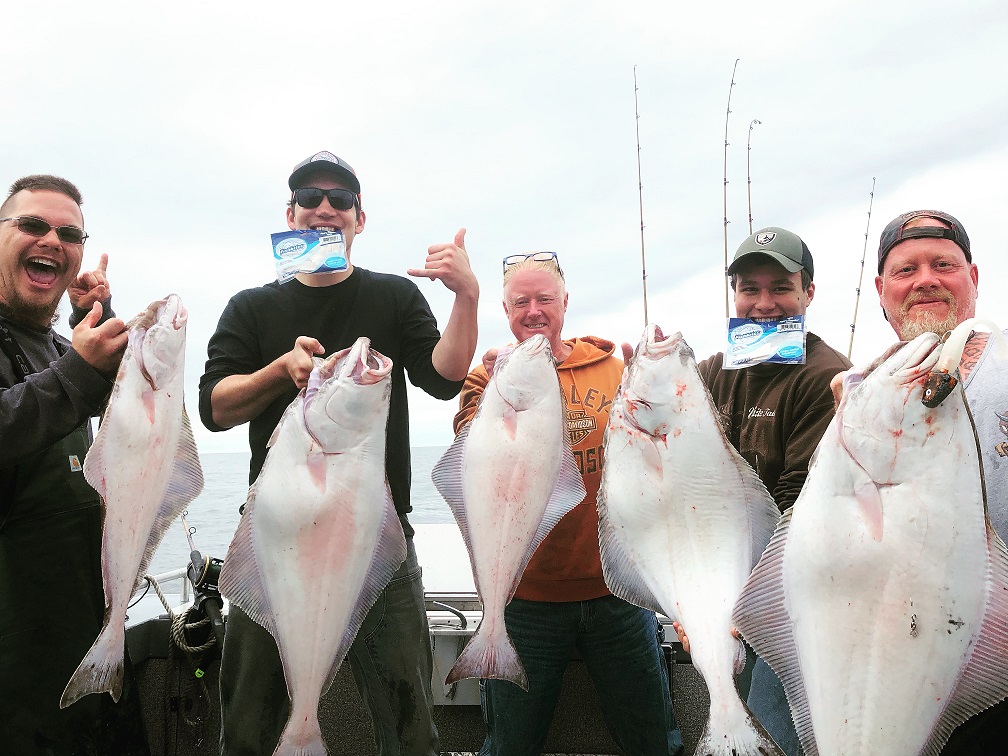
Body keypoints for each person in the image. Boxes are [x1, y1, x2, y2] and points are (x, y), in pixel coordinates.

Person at [199, 150, 479, 756]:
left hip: (375, 536)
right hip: (274, 538)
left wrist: (466, 297)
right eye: (310, 197)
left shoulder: (394, 297)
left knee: (409, 728)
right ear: (291, 214)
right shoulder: (251, 307)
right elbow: (214, 408)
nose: (325, 208)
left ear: (359, 218)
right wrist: (279, 371)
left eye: (341, 199)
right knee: (247, 725)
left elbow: (445, 377)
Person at [453, 251, 684, 756]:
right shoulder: (485, 377)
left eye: (544, 299)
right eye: (521, 302)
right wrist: (493, 389)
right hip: (525, 599)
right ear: (505, 308)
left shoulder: (612, 368)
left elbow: (657, 447)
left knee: (652, 739)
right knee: (512, 744)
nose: (533, 311)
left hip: (618, 591)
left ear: (564, 303)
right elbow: (470, 453)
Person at [0, 175, 149, 754]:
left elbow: (129, 425)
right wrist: (77, 374)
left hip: (85, 638)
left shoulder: (63, 352)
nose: (52, 240)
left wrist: (98, 315)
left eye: (70, 233)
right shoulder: (67, 367)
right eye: (33, 225)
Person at [692, 227, 852, 756]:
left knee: (775, 736)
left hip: (795, 603)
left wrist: (728, 605)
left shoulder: (826, 377)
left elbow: (796, 499)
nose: (764, 304)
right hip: (725, 591)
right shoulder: (715, 372)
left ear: (809, 292)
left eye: (781, 287)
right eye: (749, 288)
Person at [871, 209, 1008, 754]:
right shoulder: (859, 394)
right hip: (902, 662)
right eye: (906, 270)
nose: (925, 278)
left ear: (973, 277)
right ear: (882, 291)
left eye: (943, 264)